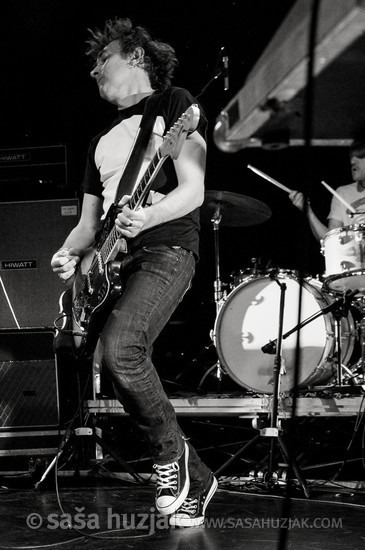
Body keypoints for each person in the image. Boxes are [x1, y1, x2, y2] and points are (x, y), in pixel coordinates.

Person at [51, 17, 217, 527]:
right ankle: (193, 472)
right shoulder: (100, 139)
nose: (96, 69)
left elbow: (193, 188)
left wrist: (149, 214)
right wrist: (68, 252)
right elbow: (87, 223)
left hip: (167, 246)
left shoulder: (176, 106)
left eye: (106, 59)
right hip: (114, 260)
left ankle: (174, 459)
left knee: (123, 348)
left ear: (138, 58)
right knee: (111, 358)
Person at [289, 139, 365, 242]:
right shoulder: (343, 193)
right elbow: (331, 241)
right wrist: (308, 211)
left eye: (360, 157)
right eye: (351, 156)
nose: (352, 161)